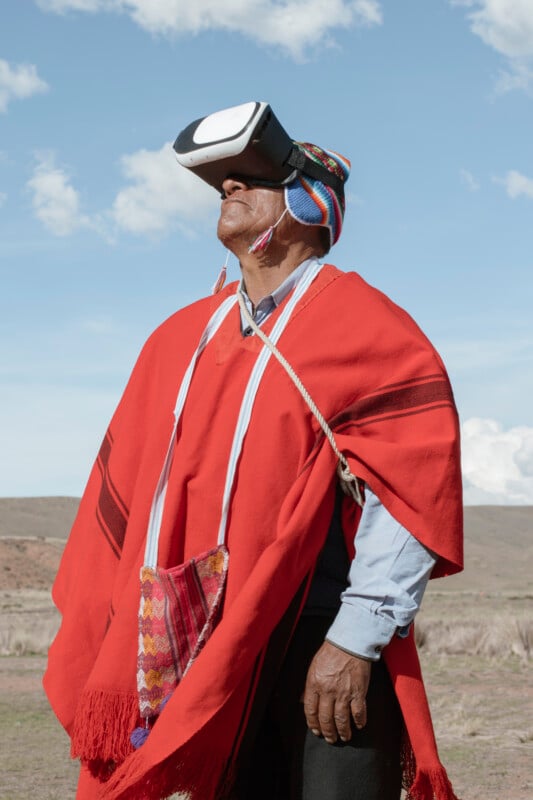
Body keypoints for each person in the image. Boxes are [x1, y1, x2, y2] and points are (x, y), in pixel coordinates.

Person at [44, 103, 463, 800]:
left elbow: (407, 493)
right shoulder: (177, 340)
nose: (228, 189)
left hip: (320, 634)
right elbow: (130, 496)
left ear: (308, 200)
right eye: (222, 183)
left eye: (252, 176)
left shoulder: (365, 327)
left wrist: (353, 641)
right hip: (206, 640)